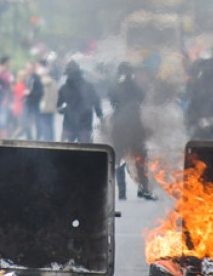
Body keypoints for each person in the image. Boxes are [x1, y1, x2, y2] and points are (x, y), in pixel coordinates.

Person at [103, 62, 156, 200]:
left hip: (120, 125)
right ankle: (143, 189)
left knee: (119, 159)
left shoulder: (115, 86)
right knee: (140, 158)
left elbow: (112, 100)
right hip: (134, 125)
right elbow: (143, 98)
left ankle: (122, 191)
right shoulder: (135, 86)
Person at [58, 60, 103, 143]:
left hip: (82, 125)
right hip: (72, 125)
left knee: (85, 152)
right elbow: (58, 104)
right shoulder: (64, 89)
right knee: (65, 151)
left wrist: (99, 114)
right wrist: (61, 109)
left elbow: (96, 102)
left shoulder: (88, 87)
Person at [22, 61, 44, 140]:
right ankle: (29, 137)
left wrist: (30, 93)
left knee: (37, 121)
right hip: (27, 103)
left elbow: (40, 92)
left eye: (29, 69)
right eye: (27, 68)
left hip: (35, 103)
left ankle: (38, 138)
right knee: (26, 121)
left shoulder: (37, 78)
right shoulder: (27, 78)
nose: (28, 70)